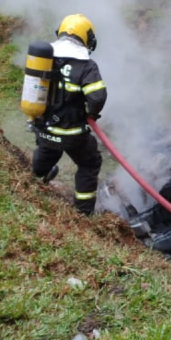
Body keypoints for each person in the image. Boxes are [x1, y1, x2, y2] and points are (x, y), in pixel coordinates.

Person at [31, 14, 107, 215]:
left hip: (45, 129)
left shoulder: (44, 58)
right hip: (73, 134)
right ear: (87, 38)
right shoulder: (86, 66)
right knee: (89, 163)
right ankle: (83, 212)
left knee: (47, 151)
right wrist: (92, 113)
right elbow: (97, 97)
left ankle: (33, 182)